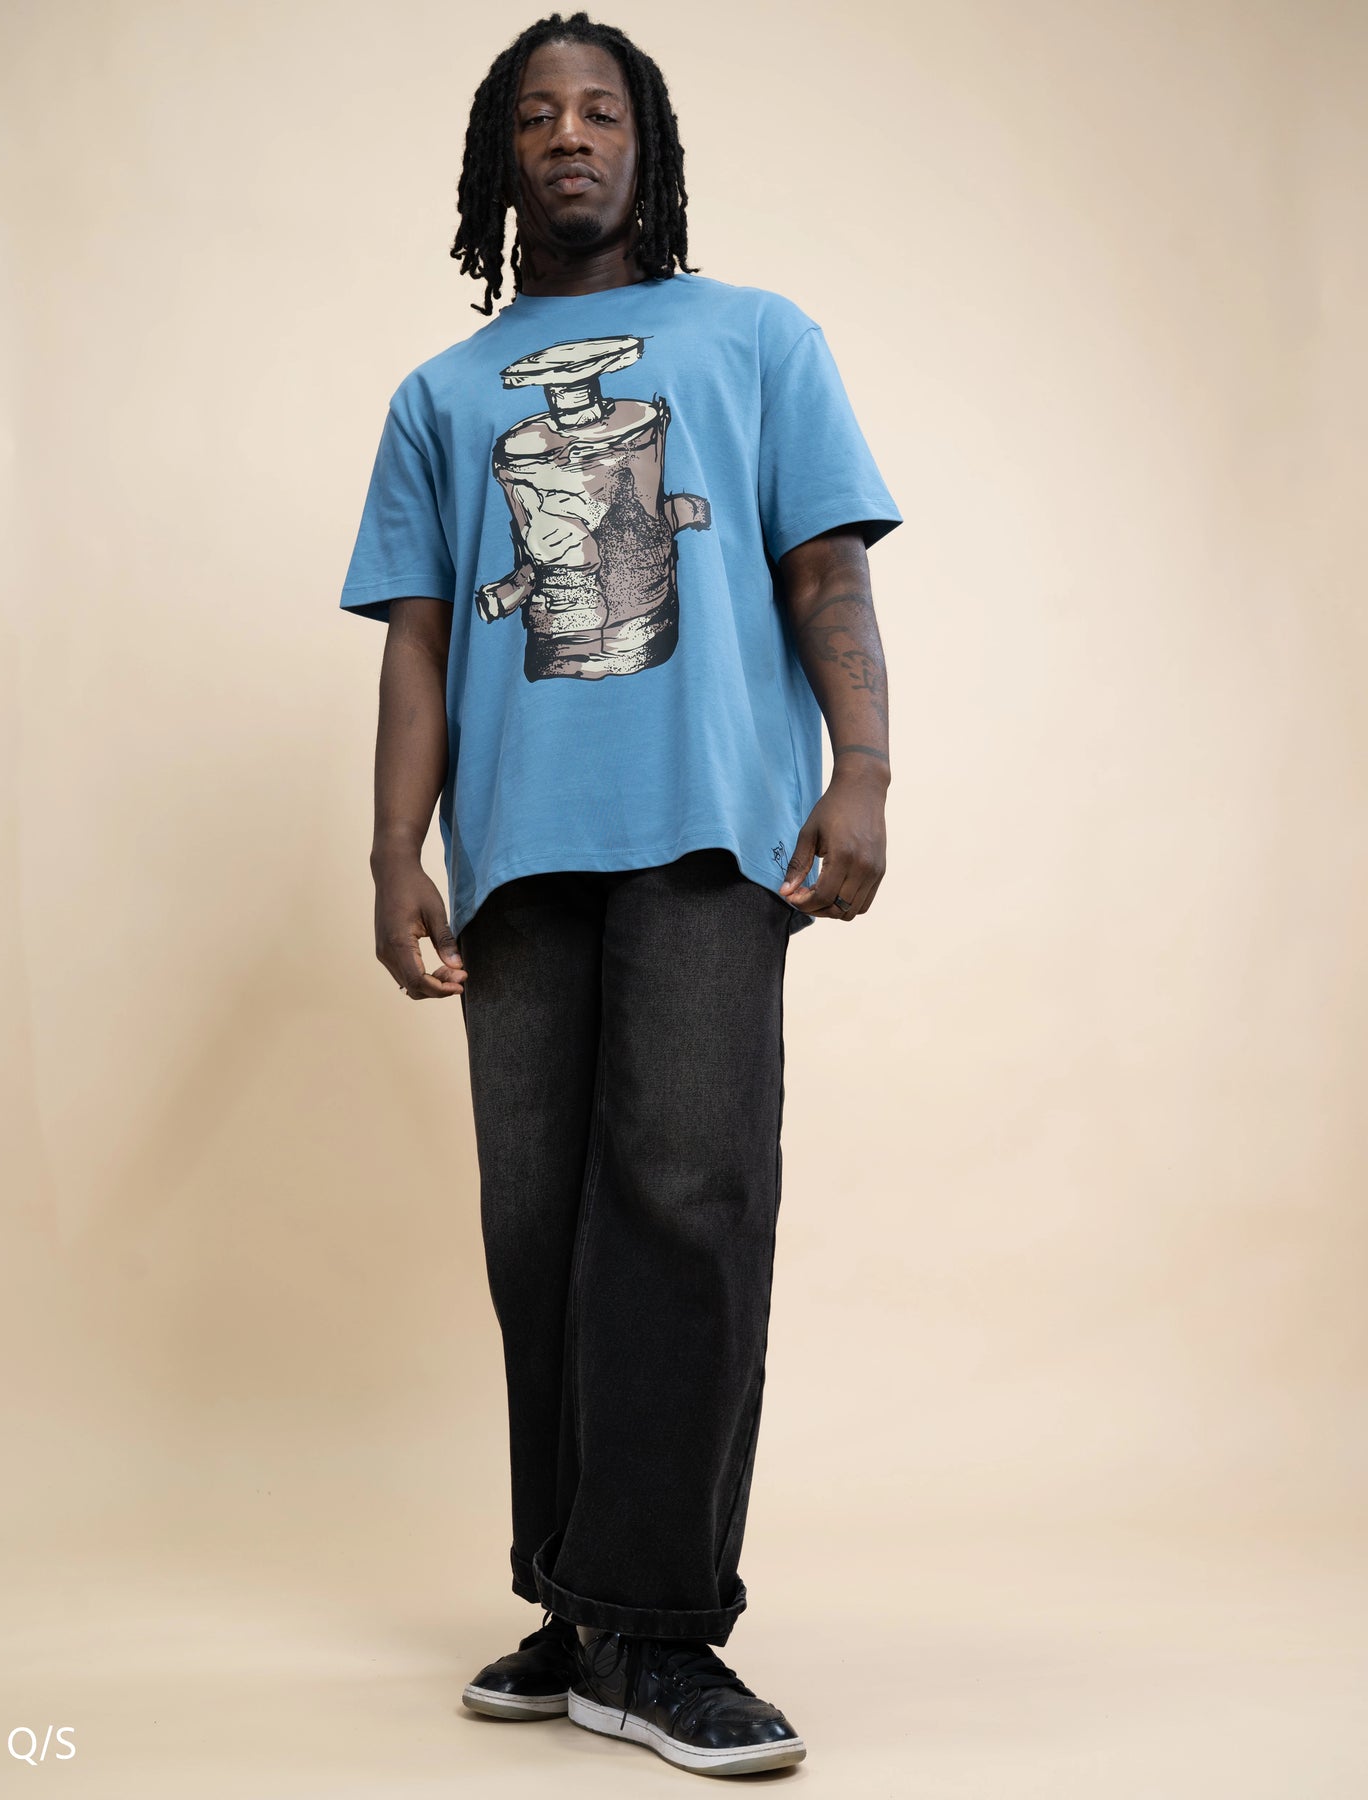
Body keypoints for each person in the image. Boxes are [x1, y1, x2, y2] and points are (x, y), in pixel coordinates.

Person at [339, 10, 902, 1778]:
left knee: (686, 1202)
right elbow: (419, 641)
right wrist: (395, 852)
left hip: (711, 838)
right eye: (537, 115)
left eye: (600, 110)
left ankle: (658, 1632)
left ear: (647, 147)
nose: (569, 134)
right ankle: (577, 1601)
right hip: (517, 857)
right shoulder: (441, 395)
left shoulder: (758, 338)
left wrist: (864, 769)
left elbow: (825, 568)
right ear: (500, 162)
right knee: (542, 1233)